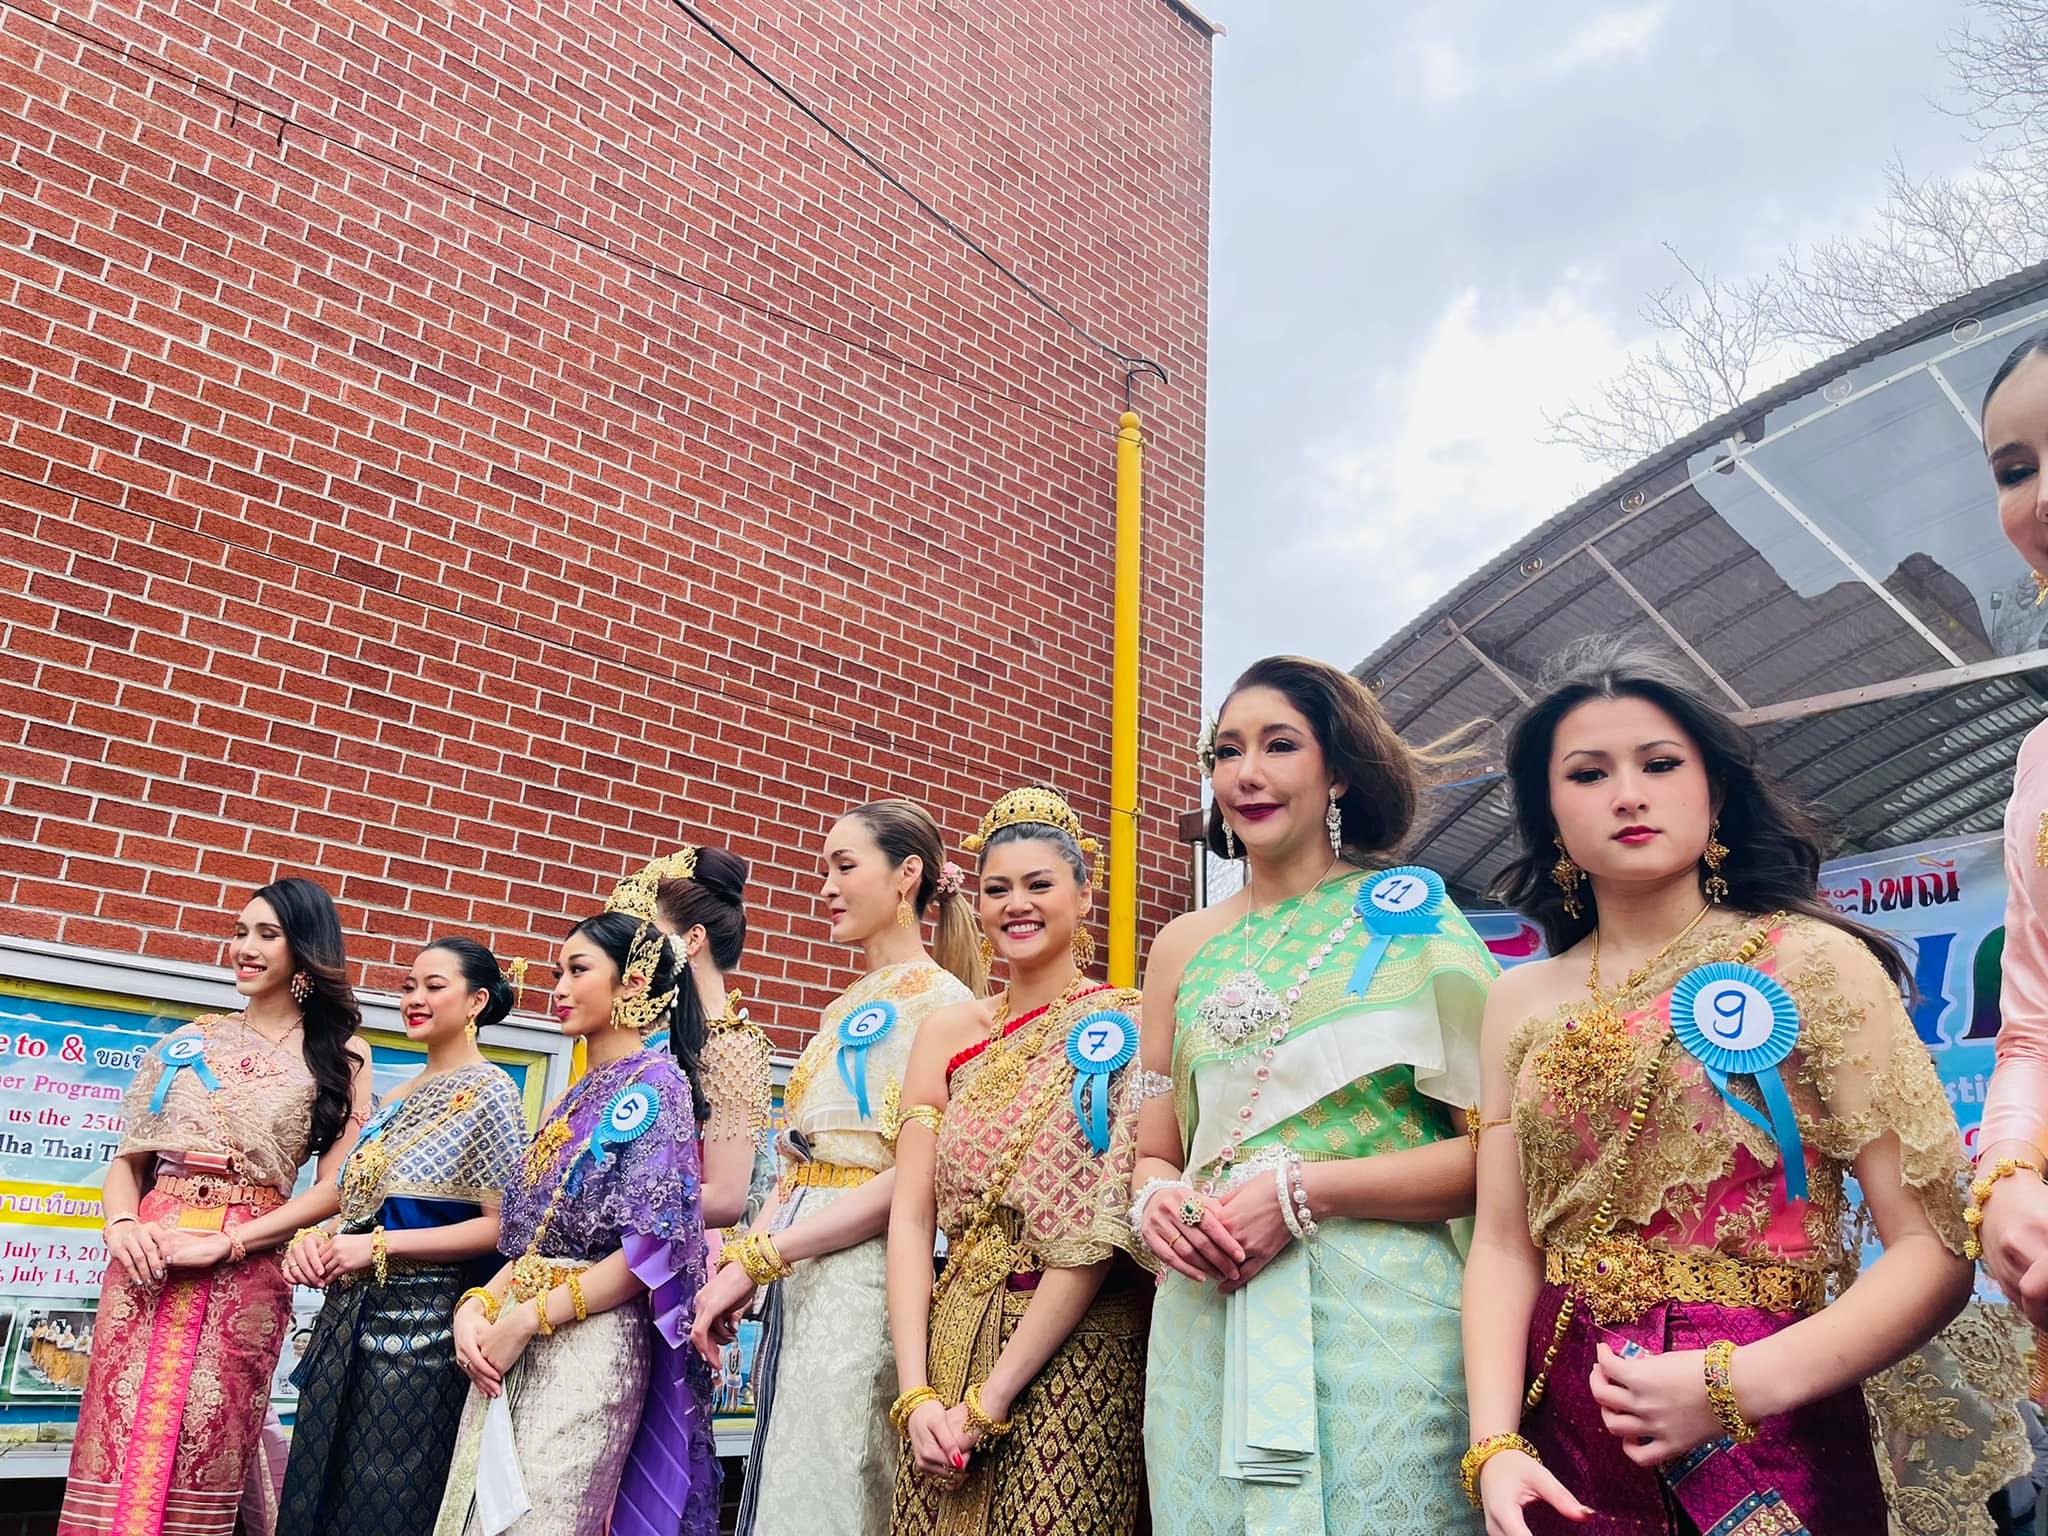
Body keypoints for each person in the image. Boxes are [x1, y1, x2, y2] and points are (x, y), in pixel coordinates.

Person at [1463, 637, 1992, 1536]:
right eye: (1588, 774)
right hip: (1563, 1445)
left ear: (1714, 794)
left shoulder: (1812, 962)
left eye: (1660, 764)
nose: (1628, 793)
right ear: (1549, 815)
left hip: (1769, 1427)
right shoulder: (1517, 1000)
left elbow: (1935, 1247)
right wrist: (1494, 1445)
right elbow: (1505, 1246)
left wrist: (1734, 1385)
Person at [1131, 655, 1496, 1536]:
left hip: (1383, 1331)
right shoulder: (1180, 945)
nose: (1246, 774)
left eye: (1279, 745)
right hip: (1208, 1323)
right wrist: (1157, 1203)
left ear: (1337, 771)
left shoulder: (1407, 916)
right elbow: (1155, 1150)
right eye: (1227, 752)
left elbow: (1499, 1158)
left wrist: (1305, 1191)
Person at [693, 800, 984, 1536]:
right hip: (800, 1271)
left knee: (840, 1482)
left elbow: (917, 1175)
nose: (824, 886)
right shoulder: (839, 1009)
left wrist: (765, 1255)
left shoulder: (946, 1006)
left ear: (907, 875)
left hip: (868, 1276)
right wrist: (743, 1261)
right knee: (787, 1475)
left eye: (844, 866)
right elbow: (799, 1161)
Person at [60, 877, 374, 1536]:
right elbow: (129, 1162)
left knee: (209, 1440)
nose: (244, 948)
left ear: (305, 948)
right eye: (239, 933)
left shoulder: (341, 1054)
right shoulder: (190, 1040)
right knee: (118, 1432)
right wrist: (122, 1224)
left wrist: (229, 1243)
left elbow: (335, 1187)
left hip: (245, 1270)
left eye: (267, 935)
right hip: (147, 1260)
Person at [887, 786, 1152, 1534]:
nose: (1017, 905)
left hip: (1077, 1350)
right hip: (950, 1342)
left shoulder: (1123, 1023)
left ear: (1084, 895)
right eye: (998, 889)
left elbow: (1096, 1227)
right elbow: (911, 1219)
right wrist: (916, 1395)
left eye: (1039, 884)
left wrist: (993, 1400)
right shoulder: (946, 1032)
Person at [433, 890, 718, 1536]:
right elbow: (533, 1243)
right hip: (515, 1337)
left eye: (577, 970)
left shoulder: (658, 1085)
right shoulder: (572, 1098)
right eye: (558, 972)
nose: (558, 987)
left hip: (588, 1347)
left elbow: (649, 1253)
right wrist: (477, 1305)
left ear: (633, 982)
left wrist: (524, 1320)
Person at [276, 937, 529, 1536]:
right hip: (346, 1322)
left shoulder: (491, 1091)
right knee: (315, 1492)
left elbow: (502, 1226)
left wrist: (379, 1247)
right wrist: (312, 1240)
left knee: (386, 1501)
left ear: (477, 1001)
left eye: (434, 987)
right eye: (409, 986)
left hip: (422, 1332)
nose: (414, 998)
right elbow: (358, 1208)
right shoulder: (394, 1097)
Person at [1975, 330, 2048, 1335]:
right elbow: (2032, 1027)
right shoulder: (2040, 761)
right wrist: (2006, 1176)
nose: (2041, 500)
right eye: (2014, 469)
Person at [638, 845, 776, 1234]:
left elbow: (726, 1197)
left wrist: (617, 1208)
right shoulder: (642, 1030)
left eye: (651, 932)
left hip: (685, 1246)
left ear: (693, 939)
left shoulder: (731, 1045)